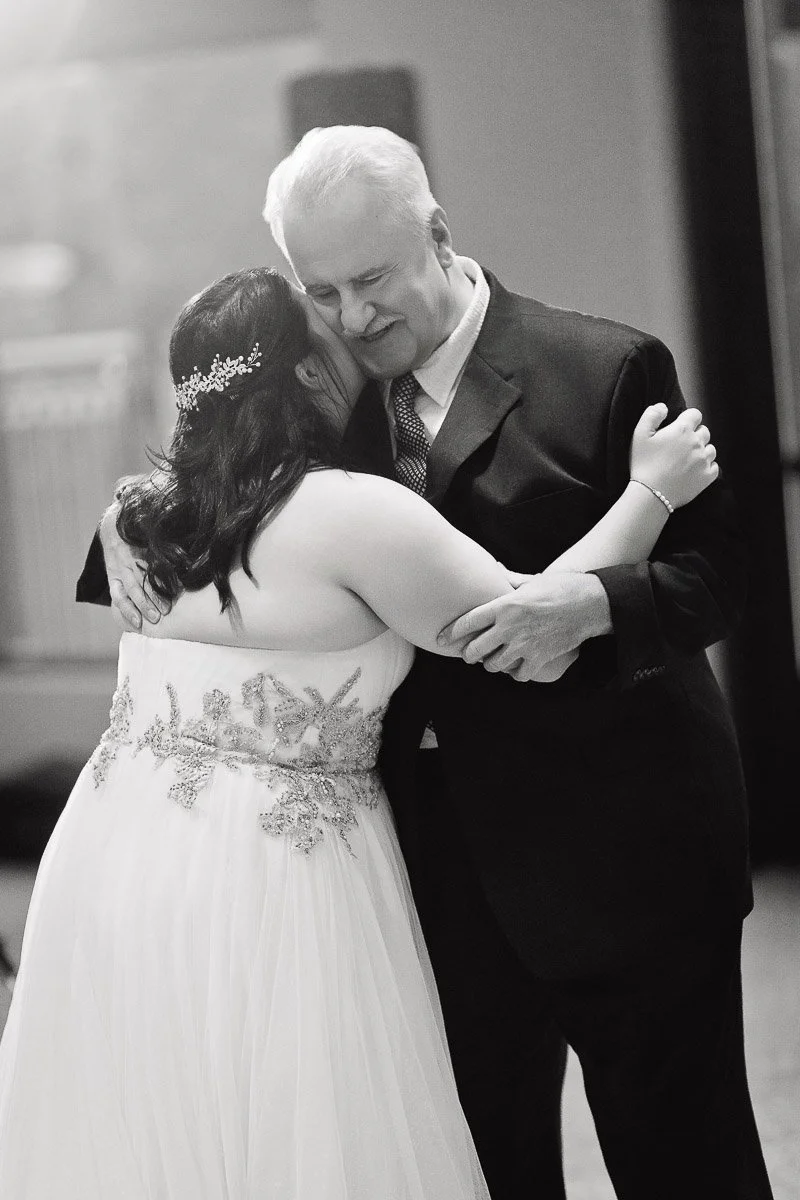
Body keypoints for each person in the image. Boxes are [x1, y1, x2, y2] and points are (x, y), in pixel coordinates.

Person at [77, 127, 772, 1200]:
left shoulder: (602, 365)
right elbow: (222, 492)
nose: (356, 316)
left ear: (437, 236)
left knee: (683, 1161)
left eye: (372, 279)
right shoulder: (323, 400)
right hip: (426, 871)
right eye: (325, 292)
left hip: (620, 843)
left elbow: (719, 573)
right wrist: (120, 513)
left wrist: (593, 603)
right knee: (478, 1164)